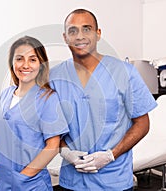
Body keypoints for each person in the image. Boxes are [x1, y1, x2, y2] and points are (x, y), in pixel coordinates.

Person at [49, 9, 157, 190]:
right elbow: (50, 127)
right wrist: (66, 152)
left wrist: (110, 155)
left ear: (98, 34)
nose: (80, 36)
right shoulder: (54, 78)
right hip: (72, 182)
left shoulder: (125, 73)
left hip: (114, 182)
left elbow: (142, 123)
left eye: (87, 29)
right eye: (72, 31)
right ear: (65, 37)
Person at [0, 36, 69, 191]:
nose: (25, 65)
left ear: (41, 64)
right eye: (19, 59)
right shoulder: (6, 94)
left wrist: (23, 177)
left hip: (29, 185)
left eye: (32, 59)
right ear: (12, 62)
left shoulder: (47, 98)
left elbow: (53, 145)